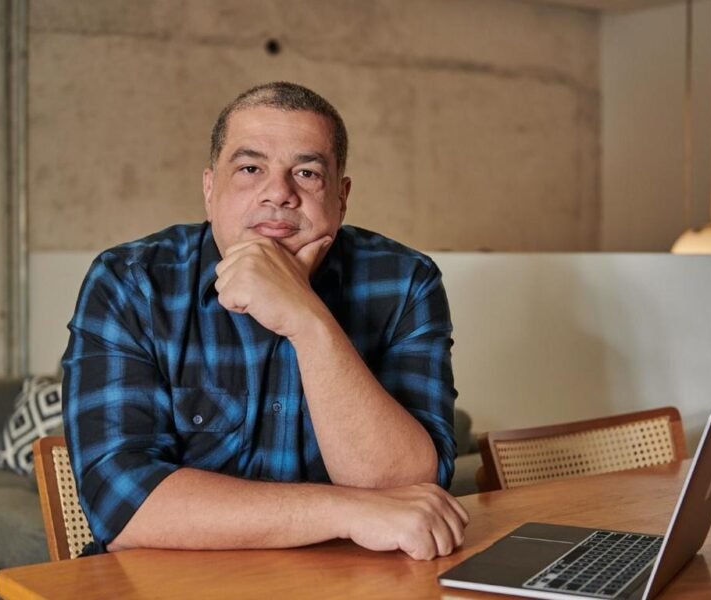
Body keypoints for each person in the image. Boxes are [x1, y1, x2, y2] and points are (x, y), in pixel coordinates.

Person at [62, 81, 468, 561]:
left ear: (341, 197)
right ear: (210, 189)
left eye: (307, 173)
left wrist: (307, 319)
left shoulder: (405, 281)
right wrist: (344, 511)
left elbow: (411, 490)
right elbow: (122, 505)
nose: (279, 193)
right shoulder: (131, 282)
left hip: (345, 583)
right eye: (250, 169)